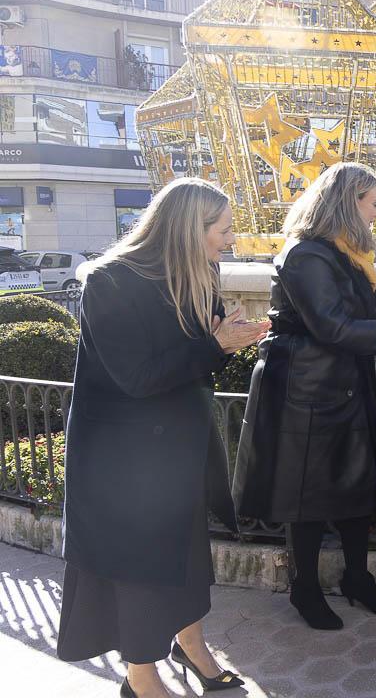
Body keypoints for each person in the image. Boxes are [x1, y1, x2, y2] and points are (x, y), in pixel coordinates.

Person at [57, 178, 270, 698]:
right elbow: (138, 378)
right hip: (123, 464)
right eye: (222, 230)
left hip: (178, 450)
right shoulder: (109, 281)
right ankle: (141, 677)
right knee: (143, 569)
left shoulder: (198, 271)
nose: (230, 240)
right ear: (185, 229)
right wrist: (216, 345)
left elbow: (192, 353)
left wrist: (227, 333)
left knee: (188, 558)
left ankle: (193, 649)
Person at [233, 163, 376, 631]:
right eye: (371, 201)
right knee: (305, 495)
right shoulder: (306, 255)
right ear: (348, 203)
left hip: (339, 383)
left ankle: (357, 580)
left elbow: (360, 312)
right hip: (306, 390)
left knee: (354, 487)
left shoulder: (338, 253)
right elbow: (332, 326)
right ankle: (304, 590)